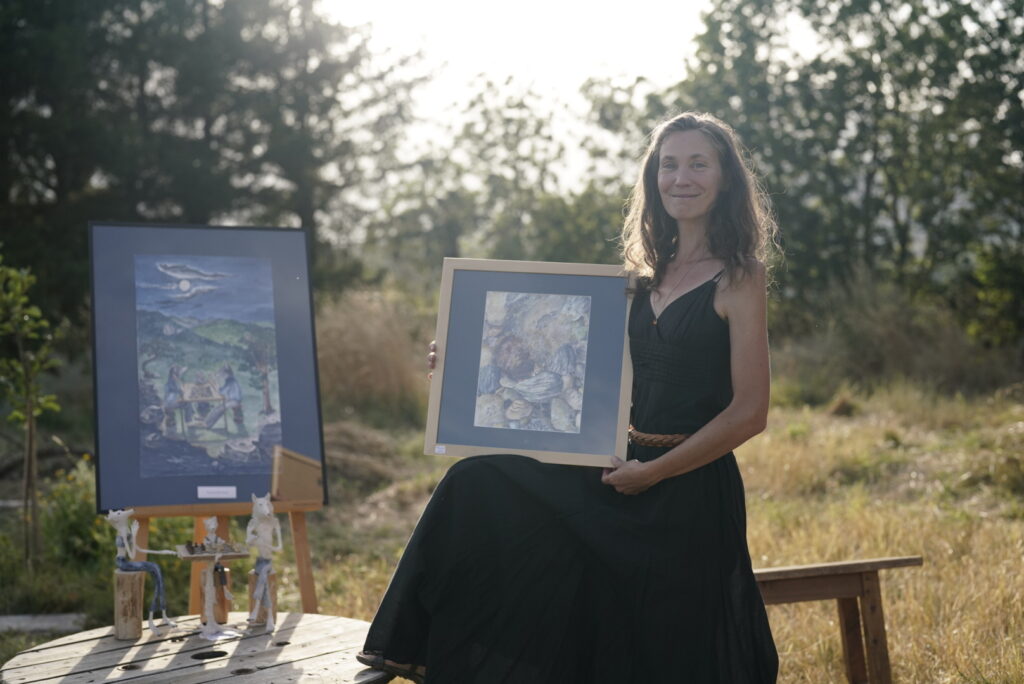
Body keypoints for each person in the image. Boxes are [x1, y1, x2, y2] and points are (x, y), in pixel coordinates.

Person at [357, 111, 780, 683]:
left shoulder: (740, 277)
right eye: (669, 164)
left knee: (668, 654)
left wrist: (653, 475)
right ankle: (409, 651)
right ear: (654, 178)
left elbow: (749, 412)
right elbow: (565, 367)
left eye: (698, 164)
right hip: (615, 470)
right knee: (476, 481)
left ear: (725, 177)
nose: (681, 177)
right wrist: (462, 360)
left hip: (689, 493)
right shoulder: (639, 275)